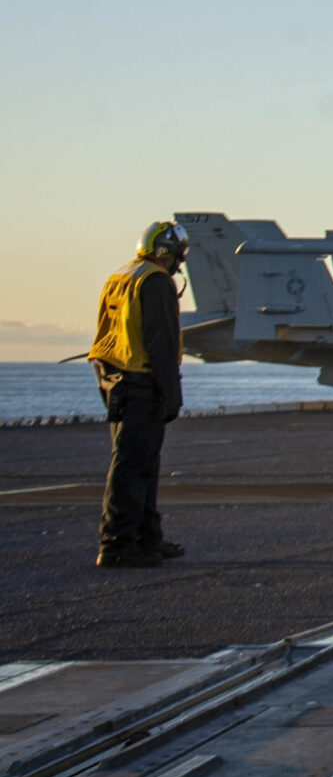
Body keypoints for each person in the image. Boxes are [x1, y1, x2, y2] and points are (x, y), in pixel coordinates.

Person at [90, 221, 190, 568]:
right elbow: (160, 341)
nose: (180, 262)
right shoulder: (155, 282)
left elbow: (104, 336)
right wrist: (171, 393)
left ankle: (146, 537)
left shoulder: (121, 276)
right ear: (166, 252)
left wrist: (106, 382)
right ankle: (116, 543)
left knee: (140, 462)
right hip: (142, 381)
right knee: (132, 466)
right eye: (178, 255)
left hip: (115, 379)